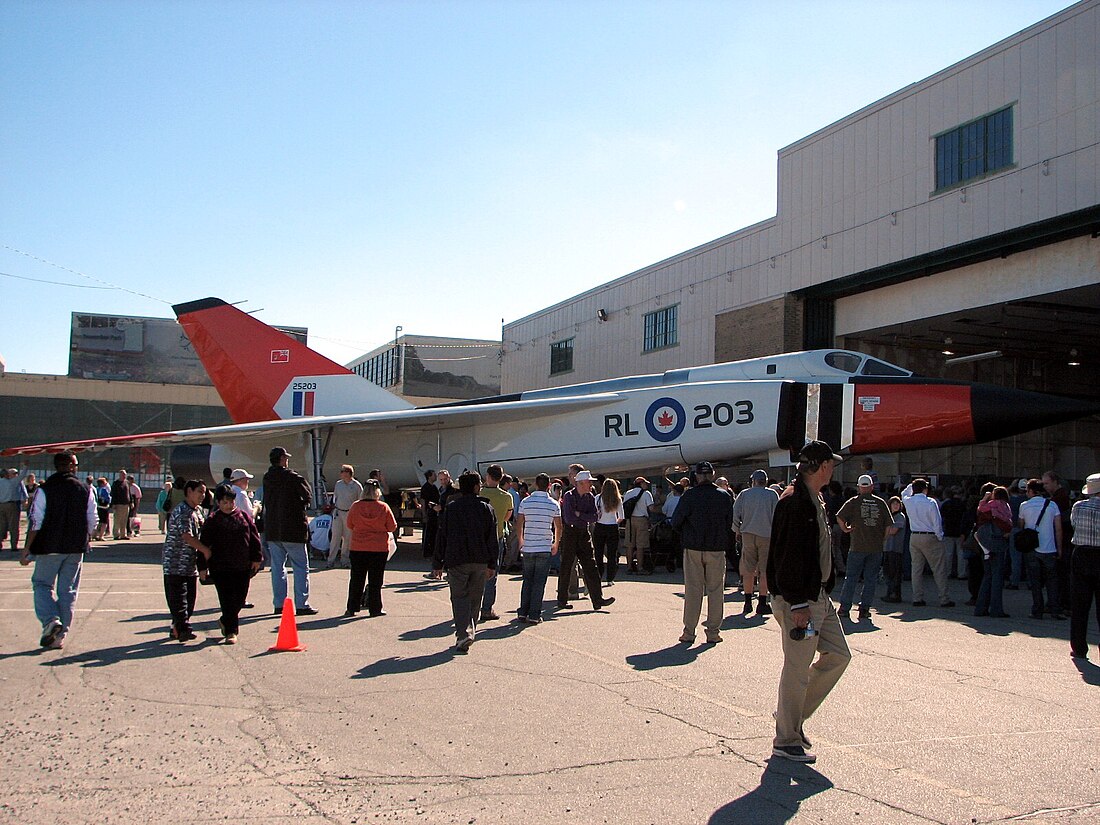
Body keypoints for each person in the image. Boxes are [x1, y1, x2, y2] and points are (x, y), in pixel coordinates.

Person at [767, 441, 851, 763]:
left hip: (818, 596)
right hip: (800, 600)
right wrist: (799, 604)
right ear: (822, 466)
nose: (833, 469)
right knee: (797, 667)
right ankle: (786, 738)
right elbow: (787, 556)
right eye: (831, 464)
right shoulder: (794, 502)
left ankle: (791, 715)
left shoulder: (814, 497)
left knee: (839, 655)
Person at [19, 451, 97, 651]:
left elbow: (36, 520)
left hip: (49, 547)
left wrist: (27, 548)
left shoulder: (44, 490)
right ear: (71, 465)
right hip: (75, 547)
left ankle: (50, 620)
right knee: (68, 591)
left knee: (42, 584)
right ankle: (59, 636)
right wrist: (85, 537)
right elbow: (92, 519)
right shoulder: (85, 489)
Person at [432, 472, 498, 654]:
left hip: (457, 560)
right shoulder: (486, 508)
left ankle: (463, 633)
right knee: (476, 597)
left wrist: (437, 563)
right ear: (477, 487)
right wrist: (493, 564)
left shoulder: (451, 508)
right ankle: (470, 630)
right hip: (479, 560)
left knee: (459, 597)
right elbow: (492, 538)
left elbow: (442, 535)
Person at [672, 461, 732, 644]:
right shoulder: (724, 496)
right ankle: (713, 632)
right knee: (715, 590)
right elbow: (730, 522)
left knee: (693, 591)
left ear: (697, 476)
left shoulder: (690, 495)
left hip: (693, 547)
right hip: (716, 548)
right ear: (713, 475)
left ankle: (689, 632)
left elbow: (676, 521)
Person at [195, 485, 262, 644]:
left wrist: (257, 558)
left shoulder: (243, 517)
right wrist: (202, 567)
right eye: (225, 502)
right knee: (226, 599)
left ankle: (225, 620)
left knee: (240, 598)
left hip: (242, 565)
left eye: (231, 502)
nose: (229, 505)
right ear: (218, 502)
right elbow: (203, 545)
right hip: (220, 567)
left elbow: (254, 539)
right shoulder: (212, 520)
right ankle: (231, 632)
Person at [261, 447, 317, 615]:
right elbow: (307, 497)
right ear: (282, 459)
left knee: (278, 567)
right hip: (292, 529)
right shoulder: (293, 477)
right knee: (300, 566)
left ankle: (279, 604)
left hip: (273, 528)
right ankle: (301, 603)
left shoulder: (267, 478)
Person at [835, 474, 892, 621]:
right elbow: (888, 527)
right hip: (875, 547)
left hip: (857, 546)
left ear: (859, 487)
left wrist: (846, 528)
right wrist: (882, 539)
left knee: (851, 578)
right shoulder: (880, 503)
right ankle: (865, 609)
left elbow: (839, 516)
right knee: (870, 579)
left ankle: (844, 608)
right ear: (872, 487)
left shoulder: (854, 502)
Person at [557, 470, 615, 611]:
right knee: (566, 566)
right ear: (581, 483)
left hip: (583, 533)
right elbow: (569, 518)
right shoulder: (569, 496)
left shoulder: (589, 497)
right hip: (570, 533)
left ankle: (597, 600)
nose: (591, 485)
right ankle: (562, 599)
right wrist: (584, 516)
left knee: (591, 567)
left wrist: (580, 514)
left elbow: (595, 516)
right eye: (589, 482)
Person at [344, 478, 397, 617]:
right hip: (378, 548)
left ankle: (352, 607)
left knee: (356, 578)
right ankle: (375, 608)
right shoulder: (383, 507)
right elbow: (392, 526)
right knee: (376, 580)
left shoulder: (355, 506)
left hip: (358, 547)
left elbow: (349, 524)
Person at [162, 480, 207, 642]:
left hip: (190, 565)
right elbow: (187, 536)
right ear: (189, 491)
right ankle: (182, 629)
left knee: (190, 601)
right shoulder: (183, 511)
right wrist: (205, 550)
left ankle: (177, 626)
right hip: (175, 564)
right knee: (178, 600)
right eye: (199, 492)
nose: (203, 495)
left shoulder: (199, 511)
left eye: (204, 492)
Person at [731, 469, 778, 616]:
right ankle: (762, 602)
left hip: (748, 534)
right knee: (765, 571)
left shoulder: (744, 494)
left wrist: (737, 530)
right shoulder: (772, 495)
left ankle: (747, 602)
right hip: (767, 535)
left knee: (748, 570)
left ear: (752, 481)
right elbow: (777, 515)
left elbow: (735, 513)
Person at [516, 473, 562, 624]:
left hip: (528, 545)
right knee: (539, 582)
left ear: (535, 484)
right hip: (544, 546)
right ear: (549, 486)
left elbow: (519, 522)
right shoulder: (553, 504)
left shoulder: (526, 502)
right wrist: (556, 543)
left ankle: (523, 611)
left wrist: (520, 540)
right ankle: (534, 614)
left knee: (527, 580)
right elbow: (558, 526)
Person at [901, 479, 954, 608]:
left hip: (914, 535)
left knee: (916, 569)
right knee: (938, 569)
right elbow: (936, 521)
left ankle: (917, 597)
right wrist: (939, 536)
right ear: (925, 489)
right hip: (930, 536)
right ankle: (944, 598)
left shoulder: (909, 501)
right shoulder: (931, 502)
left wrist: (910, 485)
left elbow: (903, 493)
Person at [1019, 478, 1063, 620]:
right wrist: (1059, 548)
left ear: (1031, 491)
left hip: (1031, 548)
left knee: (1035, 580)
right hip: (1049, 547)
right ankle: (1055, 609)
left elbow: (1021, 525)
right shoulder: (1052, 505)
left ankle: (1037, 610)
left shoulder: (1024, 506)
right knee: (1052, 580)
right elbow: (1058, 529)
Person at [1069, 473, 1100, 661]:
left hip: (1081, 553)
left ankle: (1079, 647)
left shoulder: (1078, 506)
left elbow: (1074, 525)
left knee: (1080, 605)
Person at [478, 464, 514, 622]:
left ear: (487, 476)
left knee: (475, 573)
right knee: (492, 574)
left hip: (479, 538)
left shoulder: (479, 493)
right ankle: (486, 608)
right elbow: (507, 517)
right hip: (496, 536)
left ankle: (472, 606)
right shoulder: (507, 497)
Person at [974, 485, 1012, 618]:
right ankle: (996, 609)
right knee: (997, 577)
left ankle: (980, 608)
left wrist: (984, 498)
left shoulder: (990, 505)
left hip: (986, 542)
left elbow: (981, 509)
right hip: (998, 541)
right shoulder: (1005, 507)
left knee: (987, 575)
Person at [327, 464, 363, 569]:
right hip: (338, 512)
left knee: (348, 538)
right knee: (335, 537)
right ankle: (330, 560)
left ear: (348, 473)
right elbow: (335, 497)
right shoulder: (338, 484)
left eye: (342, 471)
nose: (340, 473)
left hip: (350, 513)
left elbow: (360, 501)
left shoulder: (356, 485)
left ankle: (345, 560)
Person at [593, 478, 624, 586]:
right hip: (612, 527)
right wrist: (615, 521)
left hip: (599, 526)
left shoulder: (597, 498)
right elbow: (621, 516)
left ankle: (598, 575)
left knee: (598, 553)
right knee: (612, 554)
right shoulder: (617, 499)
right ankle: (610, 578)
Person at [622, 477, 654, 574]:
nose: (646, 485)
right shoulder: (646, 494)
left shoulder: (628, 493)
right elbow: (651, 508)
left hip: (630, 520)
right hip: (641, 520)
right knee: (640, 545)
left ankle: (629, 567)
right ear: (641, 484)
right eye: (645, 483)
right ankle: (640, 568)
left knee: (629, 545)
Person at [881, 496, 907, 603]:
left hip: (896, 549)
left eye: (898, 504)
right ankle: (889, 592)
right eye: (893, 504)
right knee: (888, 572)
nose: (896, 506)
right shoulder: (888, 516)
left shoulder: (900, 517)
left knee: (895, 573)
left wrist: (882, 530)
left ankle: (895, 595)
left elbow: (893, 531)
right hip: (887, 548)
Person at [0, 466, 30, 552]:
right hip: (11, 505)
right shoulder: (12, 482)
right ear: (7, 475)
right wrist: (25, 466)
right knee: (13, 526)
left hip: (1, 505)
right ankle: (13, 545)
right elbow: (22, 476)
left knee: (1, 526)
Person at [419, 469, 440, 560]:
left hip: (435, 513)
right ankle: (426, 553)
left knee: (433, 533)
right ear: (430, 476)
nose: (435, 476)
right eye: (434, 475)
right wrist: (424, 514)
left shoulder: (434, 487)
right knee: (427, 533)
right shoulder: (425, 488)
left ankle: (432, 551)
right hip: (429, 512)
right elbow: (423, 501)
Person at [110, 470, 131, 540]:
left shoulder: (127, 483)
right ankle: (116, 534)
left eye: (125, 475)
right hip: (118, 504)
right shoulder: (116, 483)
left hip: (126, 504)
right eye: (123, 475)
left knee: (124, 520)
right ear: (119, 475)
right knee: (117, 520)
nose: (124, 476)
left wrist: (131, 502)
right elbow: (113, 494)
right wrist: (113, 504)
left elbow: (129, 493)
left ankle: (123, 534)